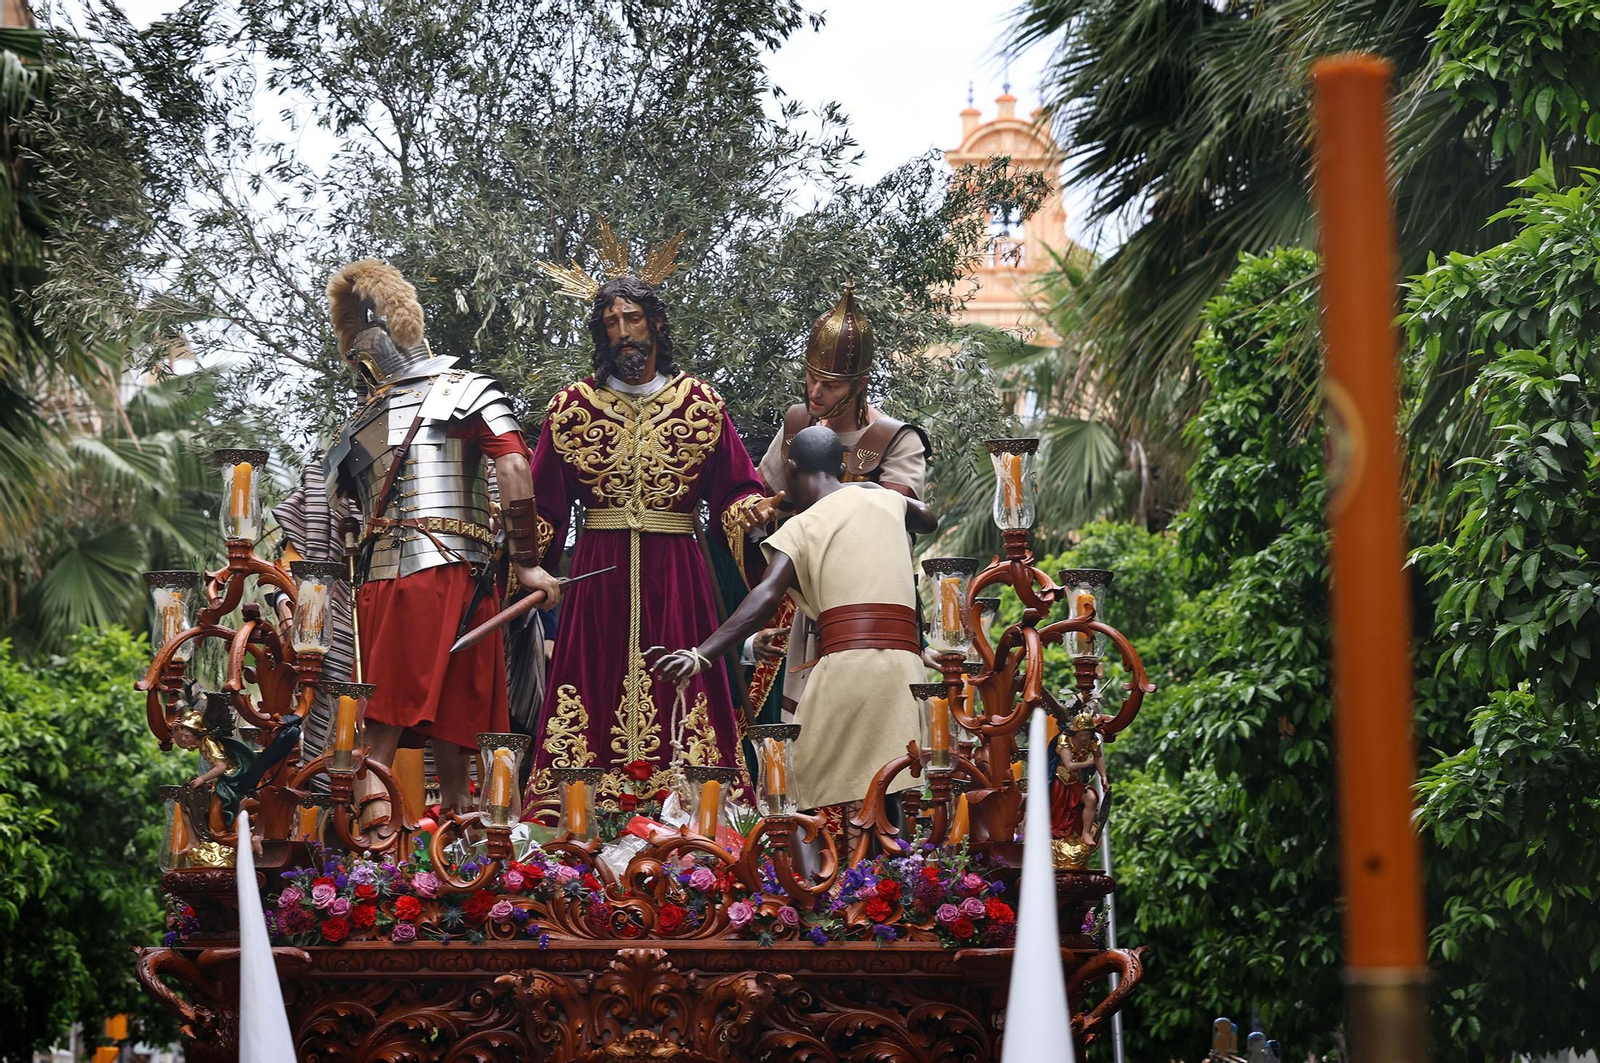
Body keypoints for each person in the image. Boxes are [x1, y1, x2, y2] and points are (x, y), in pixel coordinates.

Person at [525, 264, 781, 807]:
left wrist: (753, 510)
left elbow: (733, 488)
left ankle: (697, 811)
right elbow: (543, 502)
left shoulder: (701, 405)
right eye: (611, 322)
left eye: (633, 318)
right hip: (598, 573)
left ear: (657, 325)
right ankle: (574, 812)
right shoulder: (571, 408)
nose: (623, 332)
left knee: (684, 688)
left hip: (677, 572)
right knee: (589, 683)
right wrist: (525, 558)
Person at [322, 260, 559, 828]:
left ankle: (423, 831)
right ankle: (411, 829)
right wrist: (526, 565)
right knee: (441, 715)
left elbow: (334, 513)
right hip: (451, 571)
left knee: (429, 711)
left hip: (386, 582)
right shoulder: (466, 391)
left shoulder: (361, 421)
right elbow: (516, 471)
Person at [654, 425, 936, 813]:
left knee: (790, 791)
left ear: (789, 467)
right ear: (840, 464)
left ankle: (810, 876)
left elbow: (765, 597)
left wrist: (700, 655)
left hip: (848, 668)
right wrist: (877, 492)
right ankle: (893, 872)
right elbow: (928, 519)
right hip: (907, 670)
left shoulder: (798, 528)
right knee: (893, 788)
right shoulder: (884, 501)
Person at [744, 284, 931, 717]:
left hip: (865, 603)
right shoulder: (797, 423)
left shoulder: (896, 440)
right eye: (811, 377)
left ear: (860, 383)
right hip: (795, 600)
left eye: (829, 384)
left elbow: (890, 515)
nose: (814, 393)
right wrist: (757, 512)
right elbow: (762, 492)